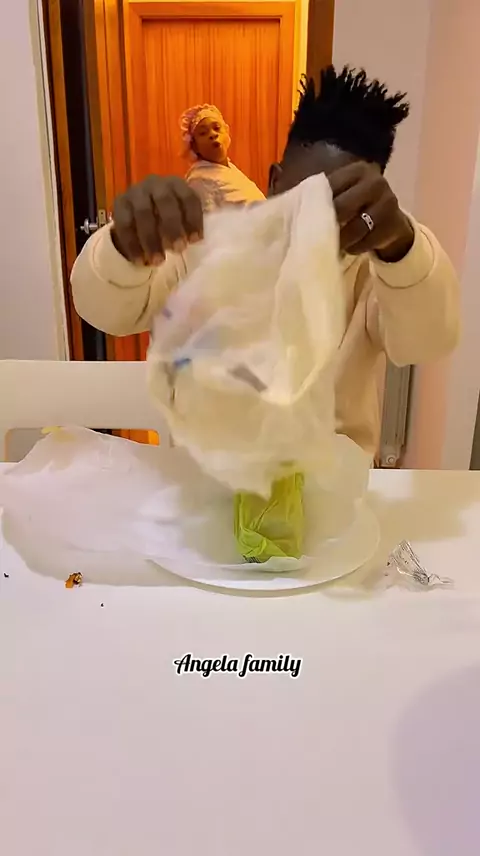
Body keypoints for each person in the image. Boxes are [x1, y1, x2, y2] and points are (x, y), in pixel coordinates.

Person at [71, 66, 460, 457]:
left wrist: (401, 245)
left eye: (341, 209)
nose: (315, 222)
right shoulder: (204, 247)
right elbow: (105, 309)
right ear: (274, 182)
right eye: (303, 199)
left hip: (329, 483)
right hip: (205, 477)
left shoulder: (371, 273)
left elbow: (427, 341)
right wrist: (125, 246)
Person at [179, 103, 265, 211]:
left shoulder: (230, 169)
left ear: (226, 133)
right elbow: (207, 219)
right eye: (203, 133)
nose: (213, 134)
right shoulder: (198, 180)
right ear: (194, 146)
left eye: (217, 128)